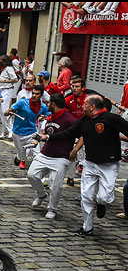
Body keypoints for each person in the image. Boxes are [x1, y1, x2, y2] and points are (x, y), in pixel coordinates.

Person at [39, 95, 128, 236]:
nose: (82, 106)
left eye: (85, 104)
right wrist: (49, 137)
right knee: (86, 196)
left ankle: (101, 203)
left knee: (105, 197)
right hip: (90, 163)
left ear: (92, 106)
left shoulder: (111, 119)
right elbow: (68, 133)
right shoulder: (84, 121)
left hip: (108, 165)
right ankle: (87, 227)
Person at [27, 94, 78, 220]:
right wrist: (38, 139)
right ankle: (41, 194)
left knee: (55, 184)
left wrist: (75, 150)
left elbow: (81, 136)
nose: (47, 104)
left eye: (49, 102)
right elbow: (46, 131)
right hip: (46, 153)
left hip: (61, 156)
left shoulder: (69, 120)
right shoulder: (50, 117)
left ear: (53, 104)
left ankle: (52, 209)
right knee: (31, 174)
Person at [5, 85, 49, 170]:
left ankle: (40, 177)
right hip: (17, 133)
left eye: (37, 94)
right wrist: (8, 112)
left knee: (37, 154)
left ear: (41, 95)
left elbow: (50, 115)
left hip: (32, 133)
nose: (34, 95)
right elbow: (11, 109)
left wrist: (44, 117)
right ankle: (20, 157)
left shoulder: (43, 106)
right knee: (22, 156)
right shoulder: (22, 102)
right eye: (33, 93)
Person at [0, 55, 19, 139]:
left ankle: (11, 130)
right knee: (2, 113)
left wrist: (5, 81)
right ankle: (5, 131)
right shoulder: (5, 70)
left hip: (7, 90)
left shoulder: (9, 69)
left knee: (5, 110)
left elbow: (15, 79)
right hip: (2, 90)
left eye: (1, 60)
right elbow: (3, 80)